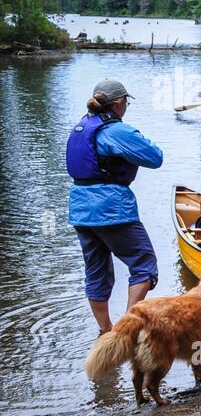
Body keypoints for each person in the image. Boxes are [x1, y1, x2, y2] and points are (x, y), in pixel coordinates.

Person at [66, 79, 164, 336]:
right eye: (126, 102)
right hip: (111, 208)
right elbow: (155, 157)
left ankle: (105, 330)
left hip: (80, 209)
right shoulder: (116, 131)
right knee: (144, 264)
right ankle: (126, 330)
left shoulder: (80, 127)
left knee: (97, 270)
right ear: (119, 103)